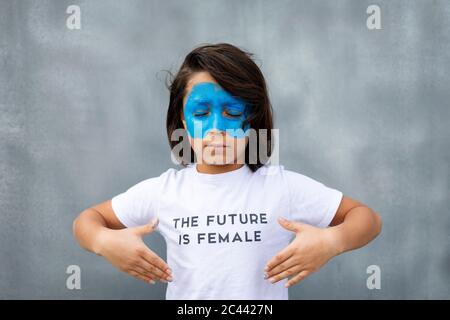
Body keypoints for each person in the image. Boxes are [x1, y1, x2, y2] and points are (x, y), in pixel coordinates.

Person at [73, 43, 382, 299]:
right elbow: (86, 221)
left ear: (253, 118)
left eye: (233, 112)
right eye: (201, 112)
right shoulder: (164, 191)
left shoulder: (280, 187)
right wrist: (104, 242)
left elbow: (367, 219)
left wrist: (332, 242)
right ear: (181, 119)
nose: (217, 128)